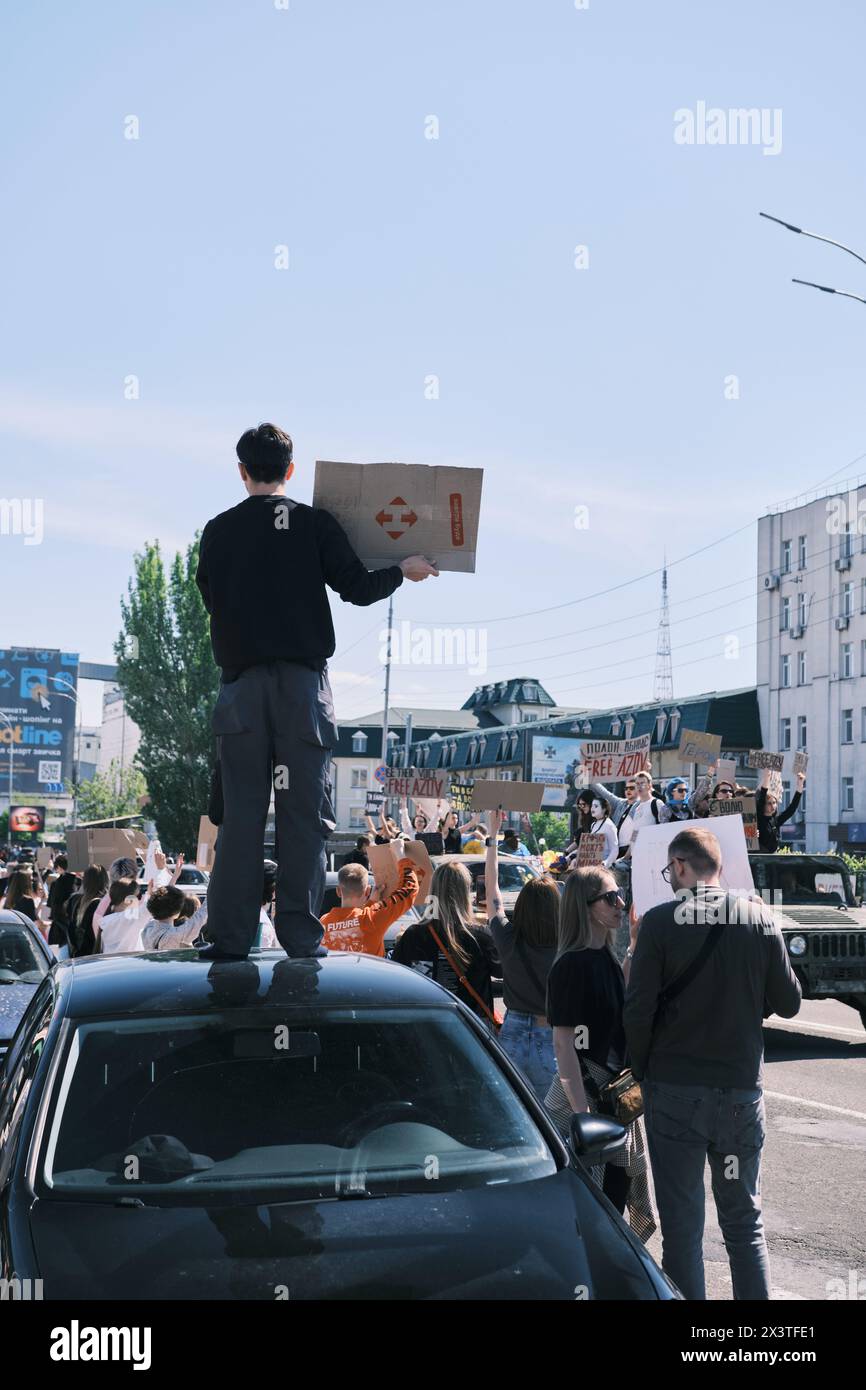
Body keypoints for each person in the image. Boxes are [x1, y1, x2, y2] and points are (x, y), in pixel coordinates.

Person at [195, 422, 438, 961]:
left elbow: (211, 596)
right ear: (291, 470)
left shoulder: (218, 531)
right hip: (302, 690)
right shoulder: (311, 524)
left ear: (241, 471)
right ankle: (301, 939)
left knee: (240, 818)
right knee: (304, 817)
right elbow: (357, 587)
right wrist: (403, 569)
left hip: (241, 692)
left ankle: (230, 938)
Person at [623, 825, 802, 1300]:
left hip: (676, 1090)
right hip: (741, 1094)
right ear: (718, 867)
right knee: (745, 1224)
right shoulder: (758, 920)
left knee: (682, 1228)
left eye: (670, 870)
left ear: (681, 866)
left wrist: (641, 1073)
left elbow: (637, 1010)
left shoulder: (660, 923)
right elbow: (789, 1004)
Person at [544, 867, 654, 1241]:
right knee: (596, 1209)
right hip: (588, 1100)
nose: (621, 903)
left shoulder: (604, 954)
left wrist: (634, 945)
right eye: (611, 897)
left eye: (620, 893)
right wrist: (581, 1114)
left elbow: (617, 1000)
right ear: (586, 907)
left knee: (613, 1203)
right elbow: (564, 1044)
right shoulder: (570, 965)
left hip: (613, 1098)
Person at [485, 810, 558, 1101]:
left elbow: (493, 894)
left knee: (513, 1110)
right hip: (550, 1034)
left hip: (512, 1030)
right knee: (550, 1118)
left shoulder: (508, 938)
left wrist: (492, 837)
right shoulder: (568, 944)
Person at [391, 860, 500, 1025]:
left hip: (424, 1026)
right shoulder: (480, 936)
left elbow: (396, 981)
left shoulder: (413, 935)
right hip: (471, 1029)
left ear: (433, 890)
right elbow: (503, 971)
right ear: (465, 892)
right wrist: (495, 919)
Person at [320, 856, 419, 955]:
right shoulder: (372, 917)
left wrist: (372, 902)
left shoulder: (322, 922)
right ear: (367, 891)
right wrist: (401, 855)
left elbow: (351, 919)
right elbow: (409, 889)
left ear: (338, 891)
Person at [141, 885, 209, 951]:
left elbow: (163, 901)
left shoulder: (148, 929)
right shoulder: (173, 936)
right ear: (177, 912)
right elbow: (202, 916)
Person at [618, 770, 668, 853]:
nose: (639, 786)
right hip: (638, 854)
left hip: (653, 852)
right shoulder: (636, 807)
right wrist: (626, 856)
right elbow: (635, 833)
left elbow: (664, 828)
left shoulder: (657, 803)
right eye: (637, 784)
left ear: (649, 785)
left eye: (643, 783)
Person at [94, 879, 148, 955]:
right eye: (138, 896)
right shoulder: (128, 919)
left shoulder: (108, 919)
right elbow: (148, 908)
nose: (140, 899)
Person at [756, 769, 805, 853]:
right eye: (769, 803)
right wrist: (767, 776)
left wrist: (800, 786)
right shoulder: (759, 817)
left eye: (774, 803)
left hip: (773, 860)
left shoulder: (776, 820)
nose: (773, 806)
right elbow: (763, 792)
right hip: (759, 859)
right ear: (763, 805)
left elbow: (791, 809)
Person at [67, 865, 109, 957]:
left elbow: (71, 929)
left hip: (79, 956)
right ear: (104, 880)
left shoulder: (76, 901)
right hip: (94, 957)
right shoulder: (99, 904)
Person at [588, 795, 619, 867]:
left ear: (604, 809)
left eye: (596, 806)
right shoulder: (593, 825)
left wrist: (606, 863)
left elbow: (614, 849)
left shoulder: (609, 825)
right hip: (592, 865)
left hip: (602, 867)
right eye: (591, 806)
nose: (592, 808)